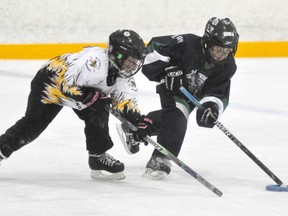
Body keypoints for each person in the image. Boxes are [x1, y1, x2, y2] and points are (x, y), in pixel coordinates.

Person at [0, 29, 152, 180]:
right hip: (52, 84)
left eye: (134, 63)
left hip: (83, 92)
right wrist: (89, 97)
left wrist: (138, 122)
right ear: (116, 54)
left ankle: (97, 157)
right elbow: (65, 84)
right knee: (32, 125)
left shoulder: (124, 77)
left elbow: (125, 102)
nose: (131, 67)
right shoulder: (93, 63)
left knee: (98, 111)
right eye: (129, 61)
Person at [125, 17, 239, 179]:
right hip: (171, 84)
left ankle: (139, 126)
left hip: (192, 94)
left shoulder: (228, 65)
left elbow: (218, 91)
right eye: (218, 48)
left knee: (175, 118)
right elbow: (151, 50)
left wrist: (212, 106)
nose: (223, 54)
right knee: (178, 115)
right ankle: (160, 158)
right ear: (207, 41)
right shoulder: (187, 43)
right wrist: (169, 69)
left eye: (227, 49)